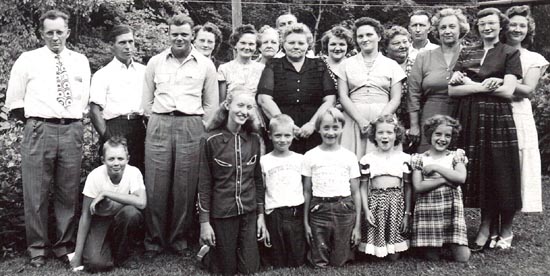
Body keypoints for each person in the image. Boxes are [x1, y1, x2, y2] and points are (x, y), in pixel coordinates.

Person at [5, 10, 91, 267]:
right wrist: (39, 124)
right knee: (36, 192)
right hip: (39, 128)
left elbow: (84, 98)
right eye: (49, 32)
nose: (55, 37)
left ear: (68, 32)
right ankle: (37, 248)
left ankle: (63, 245)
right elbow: (15, 101)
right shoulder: (27, 60)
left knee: (68, 190)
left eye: (59, 31)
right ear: (41, 33)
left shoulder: (80, 60)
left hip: (72, 129)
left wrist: (69, 123)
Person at [141, 14, 219, 257]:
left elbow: (211, 104)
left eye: (184, 34)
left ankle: (179, 239)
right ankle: (154, 240)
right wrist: (156, 122)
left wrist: (200, 127)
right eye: (175, 34)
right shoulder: (155, 62)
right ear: (168, 34)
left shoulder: (205, 64)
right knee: (155, 185)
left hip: (191, 125)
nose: (179, 38)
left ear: (192, 35)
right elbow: (146, 101)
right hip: (160, 123)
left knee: (185, 186)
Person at [448, 8, 522, 251]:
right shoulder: (468, 52)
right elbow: (453, 90)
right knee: (478, 171)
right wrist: (481, 86)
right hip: (469, 115)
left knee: (499, 170)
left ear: (501, 26)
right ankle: (485, 227)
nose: (486, 27)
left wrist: (471, 84)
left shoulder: (509, 52)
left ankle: (501, 228)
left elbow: (508, 91)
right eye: (482, 24)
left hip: (496, 118)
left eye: (491, 23)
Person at [196, 92, 268, 275]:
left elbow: (257, 180)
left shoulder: (253, 140)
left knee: (249, 269)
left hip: (248, 211)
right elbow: (204, 184)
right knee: (225, 270)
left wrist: (260, 215)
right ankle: (209, 252)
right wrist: (205, 223)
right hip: (223, 212)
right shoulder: (209, 140)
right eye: (240, 105)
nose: (244, 111)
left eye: (249, 107)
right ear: (228, 105)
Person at [257, 23, 337, 154]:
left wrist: (312, 125)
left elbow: (330, 100)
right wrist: (285, 125)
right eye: (291, 42)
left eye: (301, 43)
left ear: (308, 45)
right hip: (282, 135)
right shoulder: (273, 65)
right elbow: (264, 99)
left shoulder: (320, 65)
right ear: (283, 44)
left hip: (314, 132)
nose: (296, 46)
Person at [70, 136, 146, 271]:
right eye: (111, 159)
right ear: (103, 160)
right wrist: (77, 255)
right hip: (100, 221)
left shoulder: (133, 172)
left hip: (121, 220)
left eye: (120, 159)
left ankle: (122, 256)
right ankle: (103, 251)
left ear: (127, 158)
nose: (116, 163)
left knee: (131, 213)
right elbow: (86, 216)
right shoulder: (95, 176)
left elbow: (141, 202)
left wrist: (106, 193)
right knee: (96, 264)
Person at [336, 17, 406, 158]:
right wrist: (361, 121)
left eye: (369, 35)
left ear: (379, 36)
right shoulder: (346, 64)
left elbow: (396, 98)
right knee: (352, 161)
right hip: (353, 118)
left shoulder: (392, 65)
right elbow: (343, 96)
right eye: (360, 36)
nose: (365, 39)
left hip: (384, 118)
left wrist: (380, 123)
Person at [302, 108, 361, 268]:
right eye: (326, 127)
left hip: (344, 208)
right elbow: (307, 191)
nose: (330, 132)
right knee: (319, 261)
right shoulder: (310, 155)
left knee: (339, 262)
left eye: (335, 128)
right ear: (318, 128)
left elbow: (356, 192)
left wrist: (357, 226)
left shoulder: (349, 156)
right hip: (319, 209)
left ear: (342, 128)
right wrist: (306, 222)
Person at [504, 5, 548, 213]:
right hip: (494, 111)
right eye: (513, 24)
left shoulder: (534, 59)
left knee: (518, 164)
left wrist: (493, 84)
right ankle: (491, 225)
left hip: (519, 114)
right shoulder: (495, 52)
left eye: (522, 26)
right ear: (505, 27)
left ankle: (507, 228)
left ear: (527, 30)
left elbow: (527, 90)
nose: (517, 29)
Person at [408, 8, 470, 153]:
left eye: (452, 26)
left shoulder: (471, 54)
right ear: (436, 31)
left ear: (460, 29)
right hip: (432, 114)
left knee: (460, 157)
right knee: (428, 156)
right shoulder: (424, 57)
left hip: (463, 112)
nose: (447, 31)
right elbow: (413, 93)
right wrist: (414, 125)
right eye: (443, 27)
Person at [411, 115, 470, 262]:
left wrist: (436, 167)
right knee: (432, 257)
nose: (442, 139)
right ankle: (435, 245)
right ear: (430, 134)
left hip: (451, 209)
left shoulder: (455, 156)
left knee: (462, 257)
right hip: (429, 210)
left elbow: (461, 178)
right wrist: (444, 180)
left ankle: (451, 242)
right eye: (438, 134)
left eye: (447, 135)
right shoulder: (420, 159)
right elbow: (418, 186)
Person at [89, 25, 146, 173]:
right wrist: (108, 138)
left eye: (130, 42)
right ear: (112, 46)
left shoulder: (144, 71)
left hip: (140, 127)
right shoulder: (103, 74)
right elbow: (95, 111)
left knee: (138, 173)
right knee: (114, 174)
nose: (128, 47)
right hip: (115, 127)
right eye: (122, 43)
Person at [357, 115, 411, 260]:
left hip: (396, 202)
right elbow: (362, 187)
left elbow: (407, 187)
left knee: (394, 256)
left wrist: (407, 213)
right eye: (380, 133)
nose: (385, 136)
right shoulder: (367, 159)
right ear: (374, 135)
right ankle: (377, 246)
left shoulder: (404, 158)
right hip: (376, 201)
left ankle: (392, 245)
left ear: (396, 135)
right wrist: (366, 210)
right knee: (376, 254)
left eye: (389, 132)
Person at [260, 114, 306, 268]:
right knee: (277, 260)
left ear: (293, 135)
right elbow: (262, 190)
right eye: (278, 135)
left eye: (287, 135)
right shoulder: (264, 161)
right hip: (274, 213)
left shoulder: (300, 159)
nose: (283, 140)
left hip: (295, 212)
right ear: (270, 136)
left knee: (297, 261)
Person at [218, 24, 265, 102]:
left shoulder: (262, 69)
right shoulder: (224, 69)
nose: (247, 47)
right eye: (243, 43)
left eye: (251, 44)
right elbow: (222, 102)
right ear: (235, 45)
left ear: (256, 47)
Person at [384, 26, 414, 138]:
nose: (402, 46)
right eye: (396, 43)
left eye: (405, 42)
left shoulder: (417, 64)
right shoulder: (380, 66)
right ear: (386, 48)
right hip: (386, 119)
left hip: (412, 121)